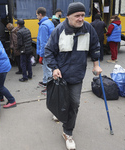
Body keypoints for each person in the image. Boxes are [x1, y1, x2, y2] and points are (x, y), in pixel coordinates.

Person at [44, 2, 102, 150]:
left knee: (74, 103)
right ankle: (58, 113)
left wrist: (96, 65)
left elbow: (95, 46)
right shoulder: (58, 30)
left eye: (83, 15)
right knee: (60, 100)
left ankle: (67, 133)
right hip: (60, 75)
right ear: (68, 16)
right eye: (77, 15)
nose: (81, 18)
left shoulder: (89, 28)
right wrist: (54, 68)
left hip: (77, 75)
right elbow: (49, 51)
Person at [36, 7, 55, 95]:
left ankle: (50, 88)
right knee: (46, 68)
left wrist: (41, 55)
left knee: (47, 69)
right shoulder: (49, 22)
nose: (37, 17)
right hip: (51, 50)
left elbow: (43, 42)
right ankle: (45, 82)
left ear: (40, 14)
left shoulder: (43, 25)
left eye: (37, 15)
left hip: (46, 52)